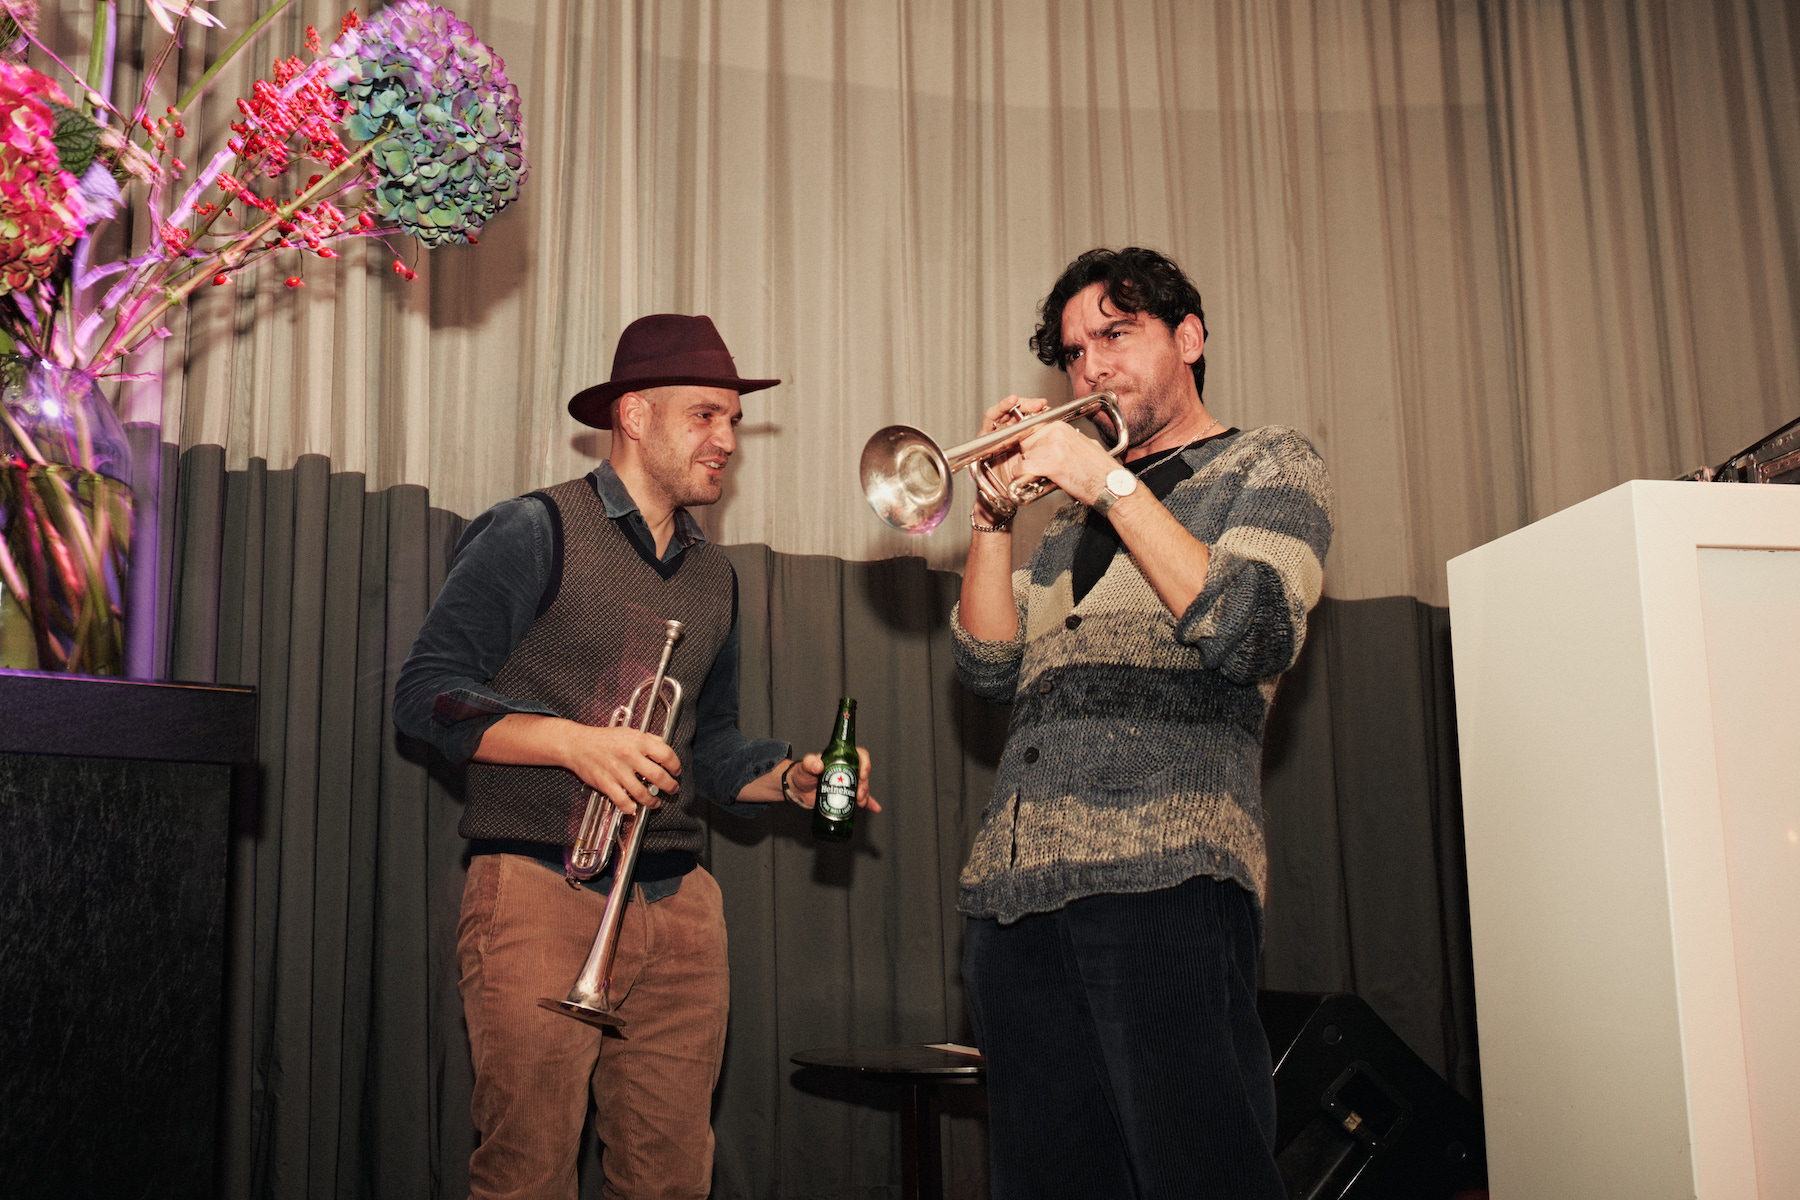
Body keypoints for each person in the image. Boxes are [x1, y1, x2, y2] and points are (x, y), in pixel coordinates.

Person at [393, 313, 877, 1200]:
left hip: (680, 904)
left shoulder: (713, 576)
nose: (727, 440)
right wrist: (576, 745)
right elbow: (425, 693)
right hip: (541, 890)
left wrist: (789, 779)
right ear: (635, 415)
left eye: (733, 419)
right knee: (527, 1177)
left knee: (670, 1183)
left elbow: (711, 746)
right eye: (705, 416)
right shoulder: (533, 529)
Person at [950, 247, 1333, 1199]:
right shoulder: (1070, 527)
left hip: (1170, 875)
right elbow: (988, 668)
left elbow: (1251, 627)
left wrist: (1109, 484)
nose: (1092, 369)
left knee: (1200, 1171)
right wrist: (993, 520)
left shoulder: (1268, 460)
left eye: (1116, 335)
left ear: (1189, 339)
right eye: (1075, 352)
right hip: (1017, 893)